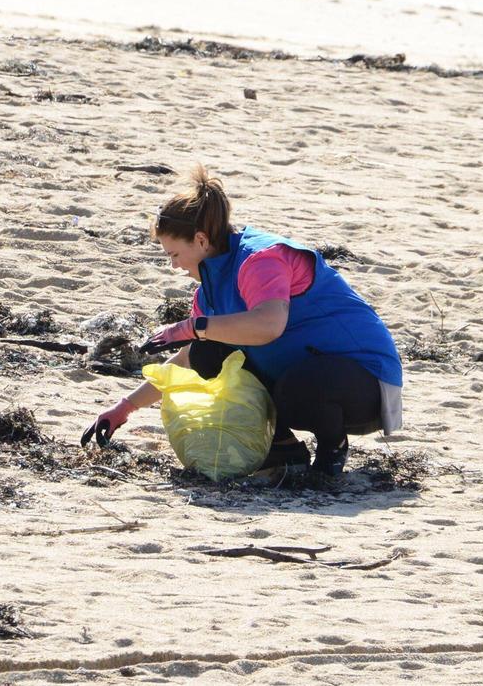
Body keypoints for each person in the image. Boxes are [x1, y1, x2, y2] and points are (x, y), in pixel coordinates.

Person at [81, 166, 403, 480]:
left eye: (174, 255)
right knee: (207, 353)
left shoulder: (259, 259)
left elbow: (269, 325)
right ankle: (285, 451)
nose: (174, 266)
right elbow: (186, 359)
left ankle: (332, 450)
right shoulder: (209, 291)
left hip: (369, 385)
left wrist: (193, 327)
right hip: (309, 378)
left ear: (201, 240)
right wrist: (123, 408)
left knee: (293, 389)